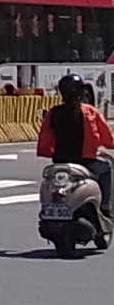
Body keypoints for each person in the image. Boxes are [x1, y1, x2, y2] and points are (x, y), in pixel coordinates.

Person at [37, 74, 114, 211]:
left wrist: (51, 152)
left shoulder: (53, 113)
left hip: (60, 162)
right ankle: (105, 206)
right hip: (86, 162)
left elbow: (45, 141)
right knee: (106, 169)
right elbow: (108, 139)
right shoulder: (90, 112)